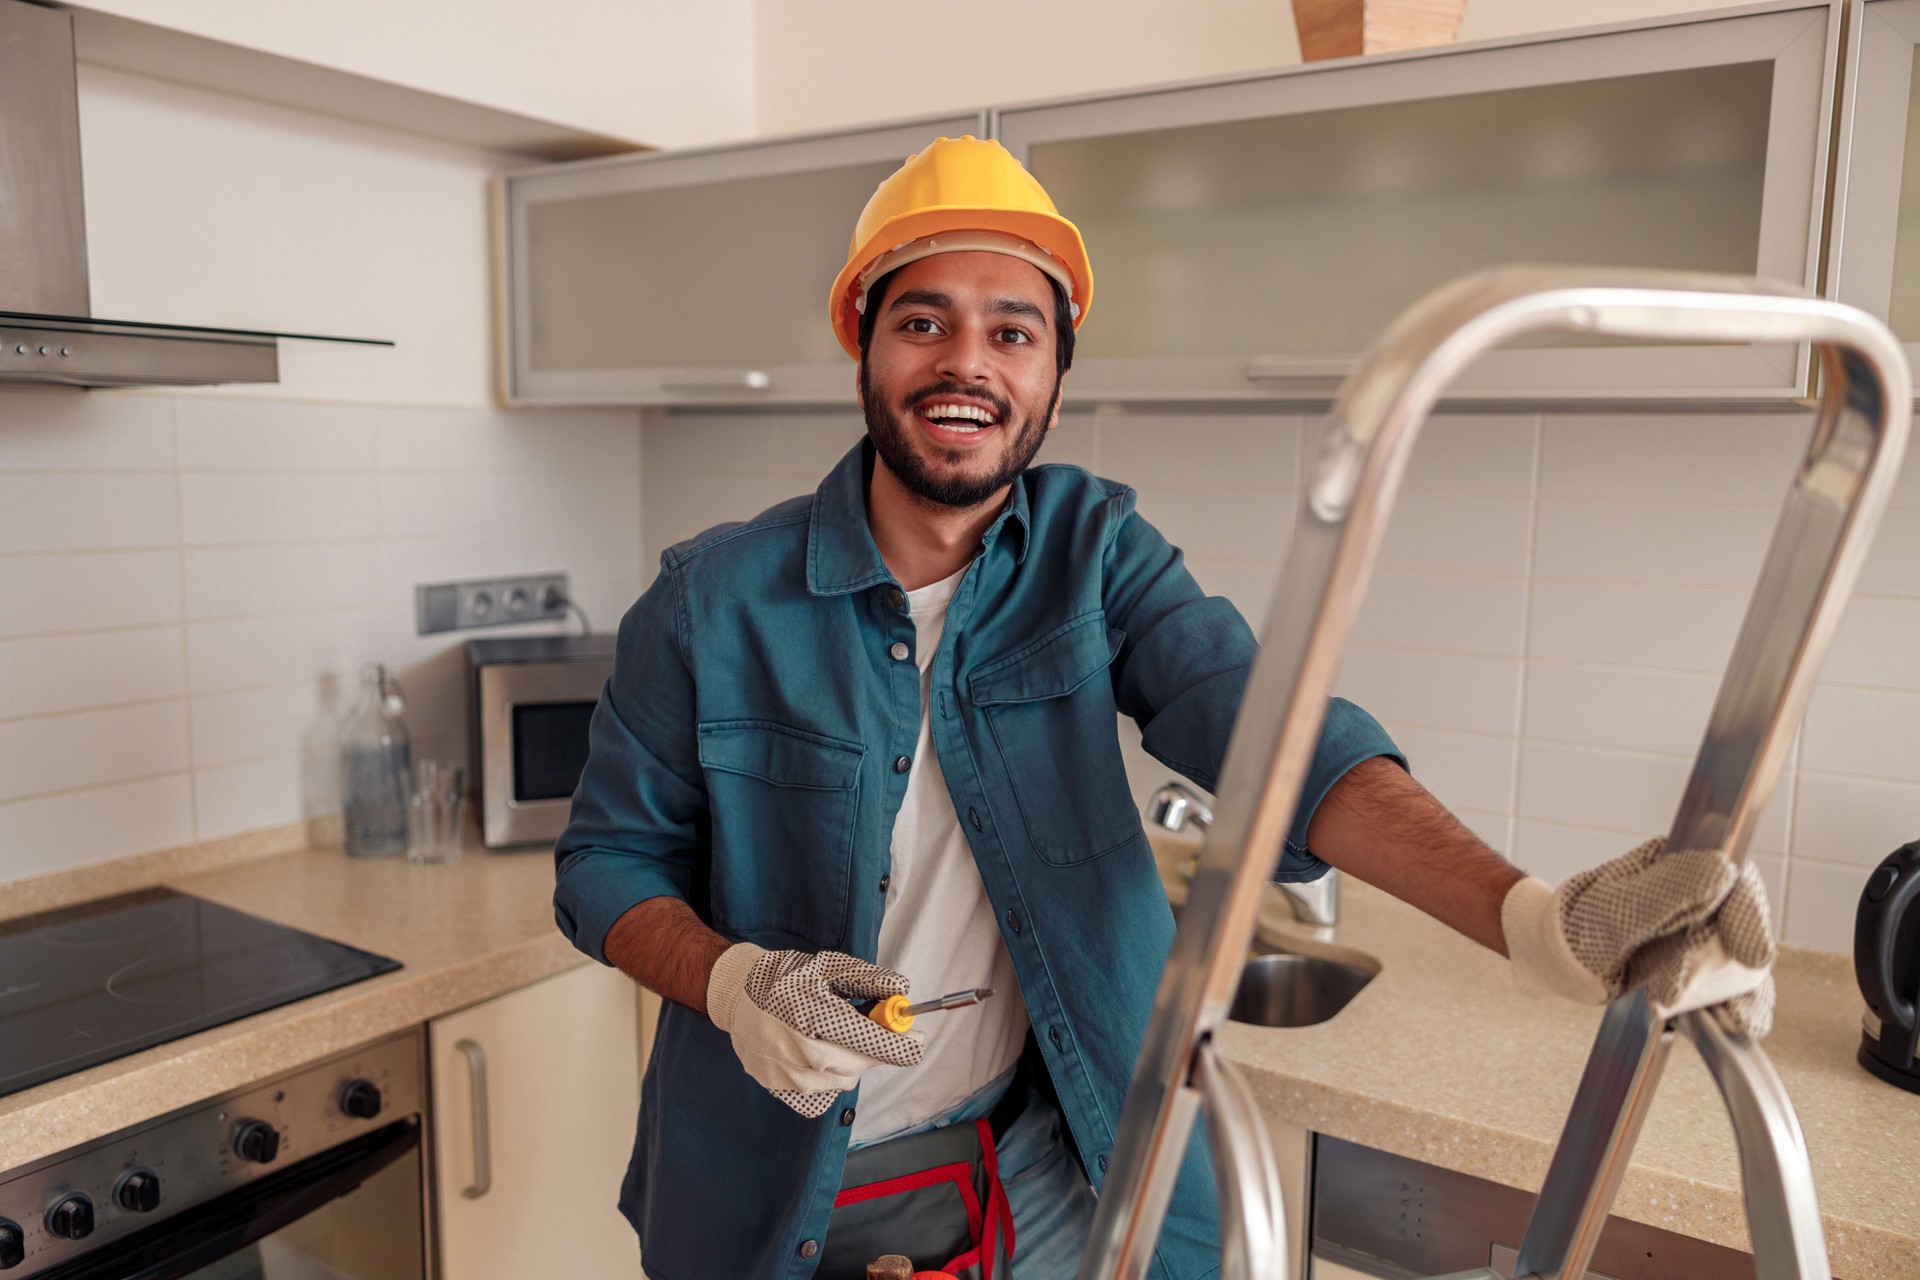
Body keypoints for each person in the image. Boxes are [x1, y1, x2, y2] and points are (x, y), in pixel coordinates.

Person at [553, 136, 1772, 1280]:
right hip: (768, 1191)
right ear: (864, 349)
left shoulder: (1097, 552)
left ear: (1055, 374)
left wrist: (1528, 918)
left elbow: (1271, 732)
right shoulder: (712, 599)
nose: (966, 362)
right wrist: (732, 982)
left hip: (1034, 1157)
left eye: (1012, 332)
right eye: (922, 321)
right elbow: (604, 863)